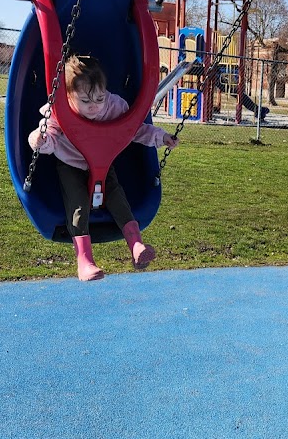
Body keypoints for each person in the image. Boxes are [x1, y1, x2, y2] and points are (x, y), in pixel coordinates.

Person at [28, 54, 177, 281]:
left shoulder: (113, 106)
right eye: (85, 101)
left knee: (117, 197)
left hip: (103, 162)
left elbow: (135, 129)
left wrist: (161, 137)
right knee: (78, 205)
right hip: (71, 164)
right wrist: (40, 140)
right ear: (68, 96)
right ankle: (85, 261)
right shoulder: (59, 110)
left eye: (99, 98)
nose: (94, 106)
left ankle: (136, 245)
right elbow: (49, 137)